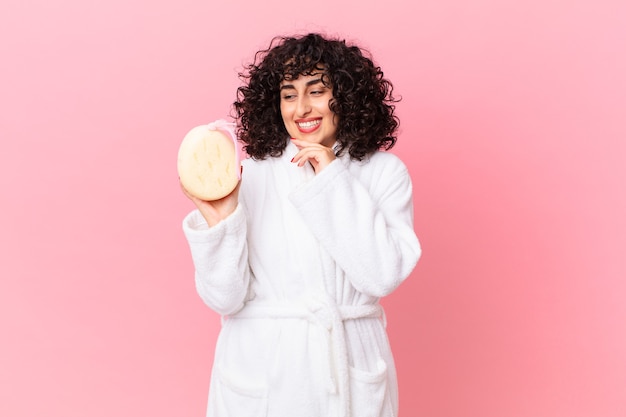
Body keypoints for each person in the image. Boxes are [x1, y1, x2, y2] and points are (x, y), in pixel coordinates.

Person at [181, 32, 421, 417]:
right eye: (289, 94)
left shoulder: (383, 173)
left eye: (317, 90)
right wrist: (220, 219)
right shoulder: (251, 175)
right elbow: (224, 298)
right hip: (262, 370)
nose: (302, 108)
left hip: (346, 368)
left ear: (347, 94)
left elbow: (381, 276)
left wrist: (331, 179)